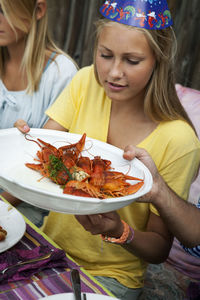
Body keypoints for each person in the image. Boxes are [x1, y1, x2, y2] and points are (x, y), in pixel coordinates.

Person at [14, 0, 200, 299]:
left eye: (132, 60)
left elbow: (158, 249)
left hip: (111, 277)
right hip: (51, 250)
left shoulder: (178, 139)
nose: (113, 72)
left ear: (158, 60)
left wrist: (119, 231)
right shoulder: (87, 81)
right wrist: (24, 141)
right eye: (105, 55)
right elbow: (44, 152)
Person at [0, 0, 77, 227]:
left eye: (4, 11)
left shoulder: (62, 74)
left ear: (38, 10)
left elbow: (51, 167)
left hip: (27, 201)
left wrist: (2, 203)